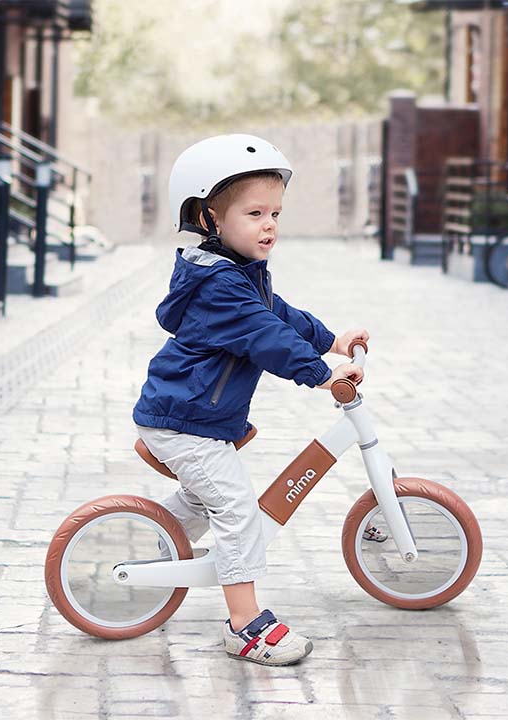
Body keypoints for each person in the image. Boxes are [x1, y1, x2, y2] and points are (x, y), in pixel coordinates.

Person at [133, 134, 369, 665]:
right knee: (237, 509)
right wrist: (321, 374)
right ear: (211, 220)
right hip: (184, 421)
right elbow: (265, 335)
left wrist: (330, 340)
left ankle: (148, 550)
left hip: (198, 417)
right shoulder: (219, 287)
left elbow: (281, 316)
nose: (269, 225)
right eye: (254, 213)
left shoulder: (241, 275)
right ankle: (245, 626)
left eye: (276, 213)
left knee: (202, 500)